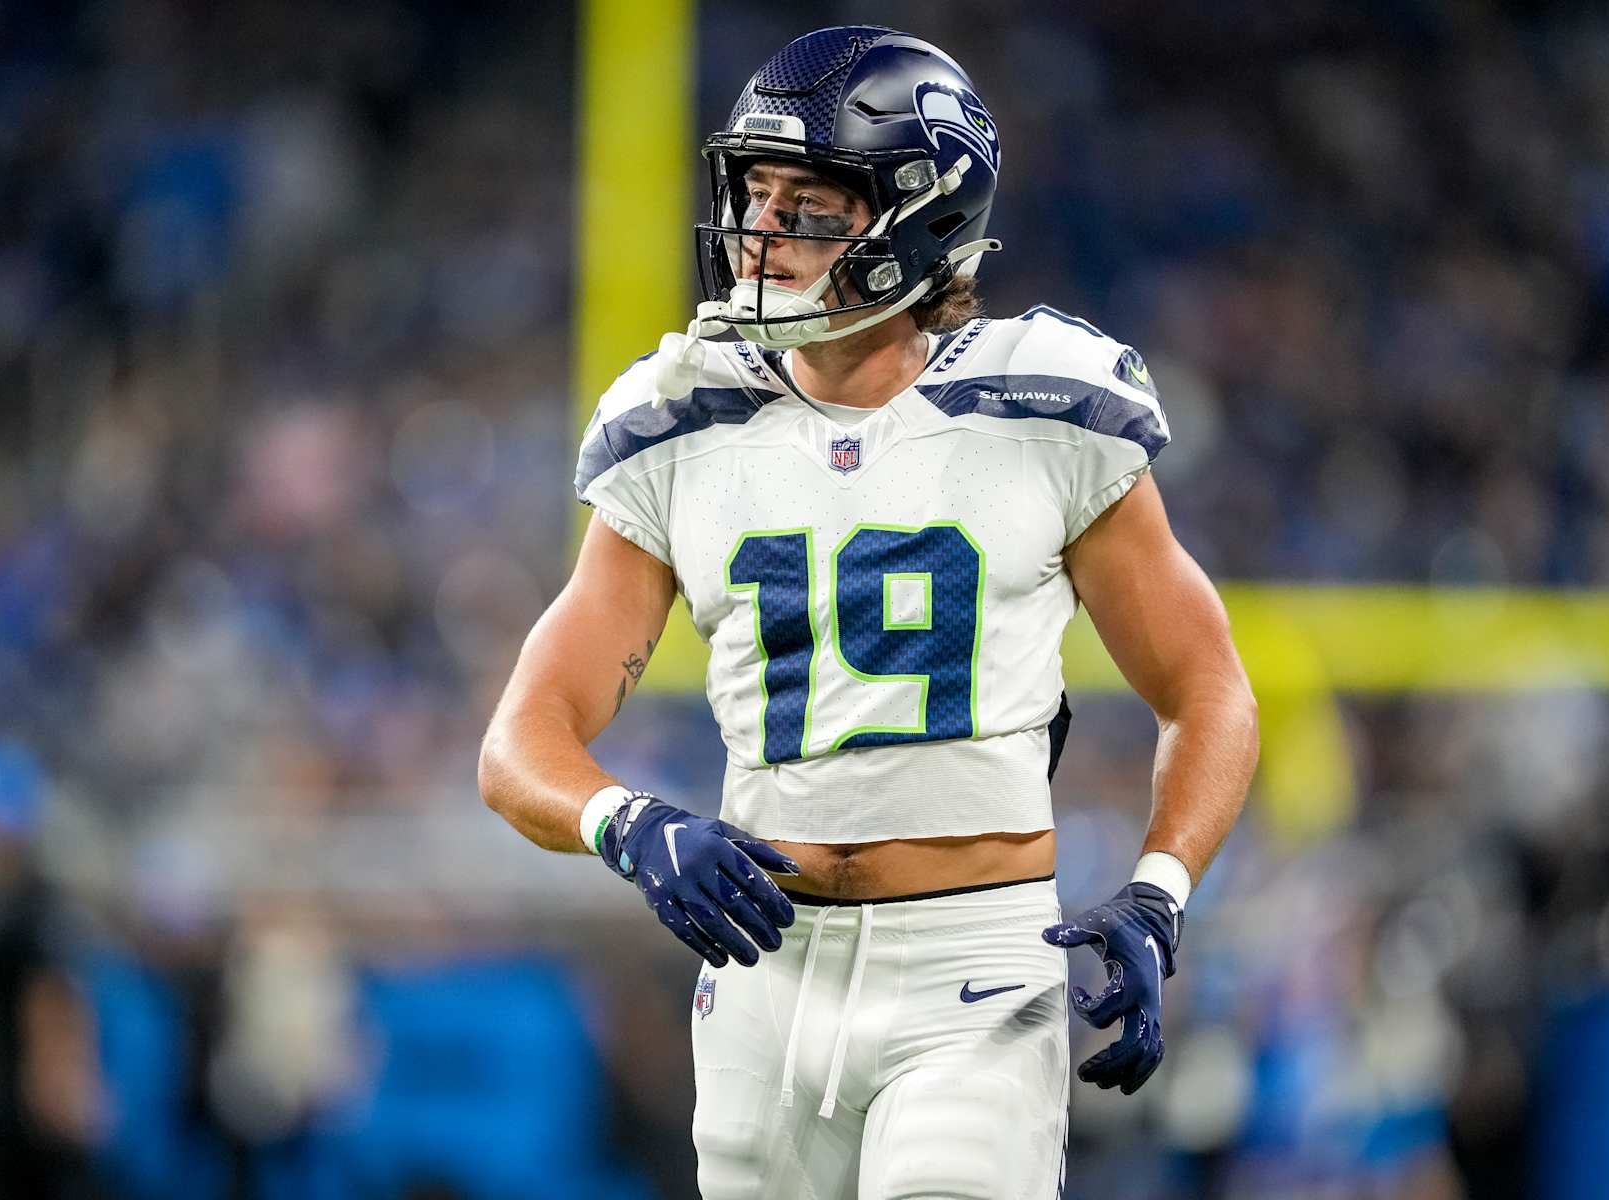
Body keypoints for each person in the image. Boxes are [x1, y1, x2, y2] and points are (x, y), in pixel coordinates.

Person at [478, 25, 1258, 1199]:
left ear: (918, 220)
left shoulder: (1045, 405)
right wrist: (632, 827)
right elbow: (521, 741)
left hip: (974, 968)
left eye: (809, 203)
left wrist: (1160, 892)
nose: (762, 231)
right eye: (755, 192)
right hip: (759, 980)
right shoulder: (681, 417)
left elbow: (1207, 691)